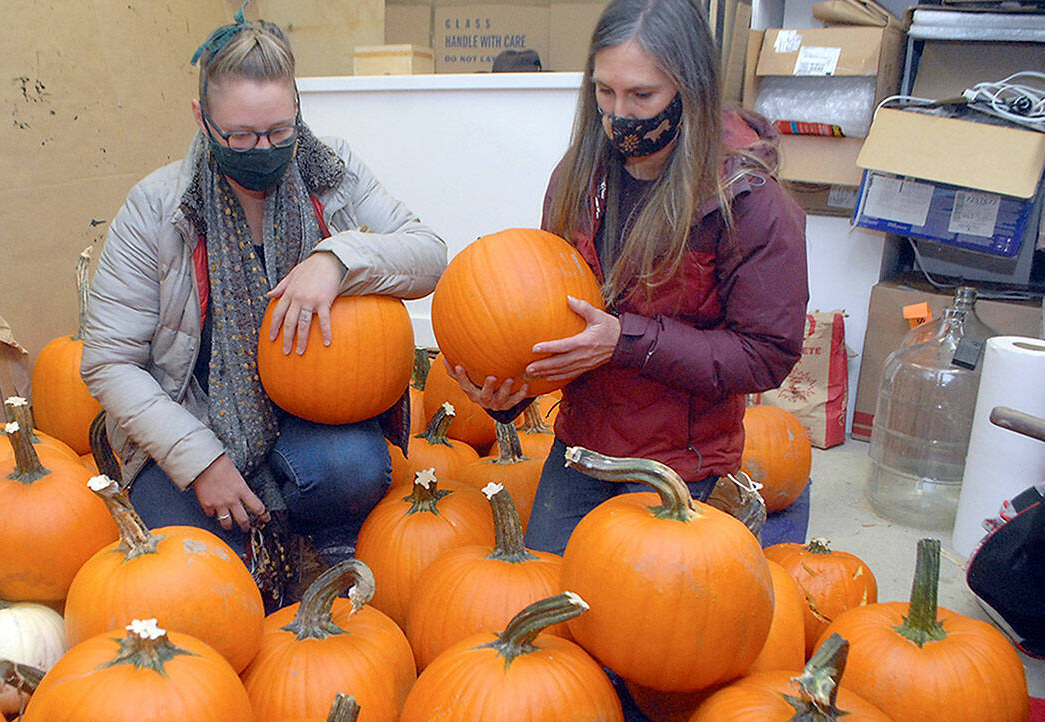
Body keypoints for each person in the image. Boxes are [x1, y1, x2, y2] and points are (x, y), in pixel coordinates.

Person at [81, 8, 446, 608]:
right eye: (243, 137)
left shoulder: (333, 172)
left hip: (312, 408)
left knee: (353, 471)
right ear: (202, 120)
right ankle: (260, 546)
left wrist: (336, 259)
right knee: (189, 565)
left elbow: (429, 253)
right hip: (194, 415)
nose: (264, 150)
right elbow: (108, 362)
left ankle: (317, 539)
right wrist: (198, 461)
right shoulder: (157, 208)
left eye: (280, 132)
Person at [451, 0, 808, 558]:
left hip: (682, 463)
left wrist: (625, 341)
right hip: (581, 444)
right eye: (604, 92)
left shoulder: (750, 203)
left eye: (642, 96)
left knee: (641, 629)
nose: (619, 114)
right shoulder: (575, 180)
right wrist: (510, 391)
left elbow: (766, 354)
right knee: (548, 612)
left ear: (690, 89)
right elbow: (552, 313)